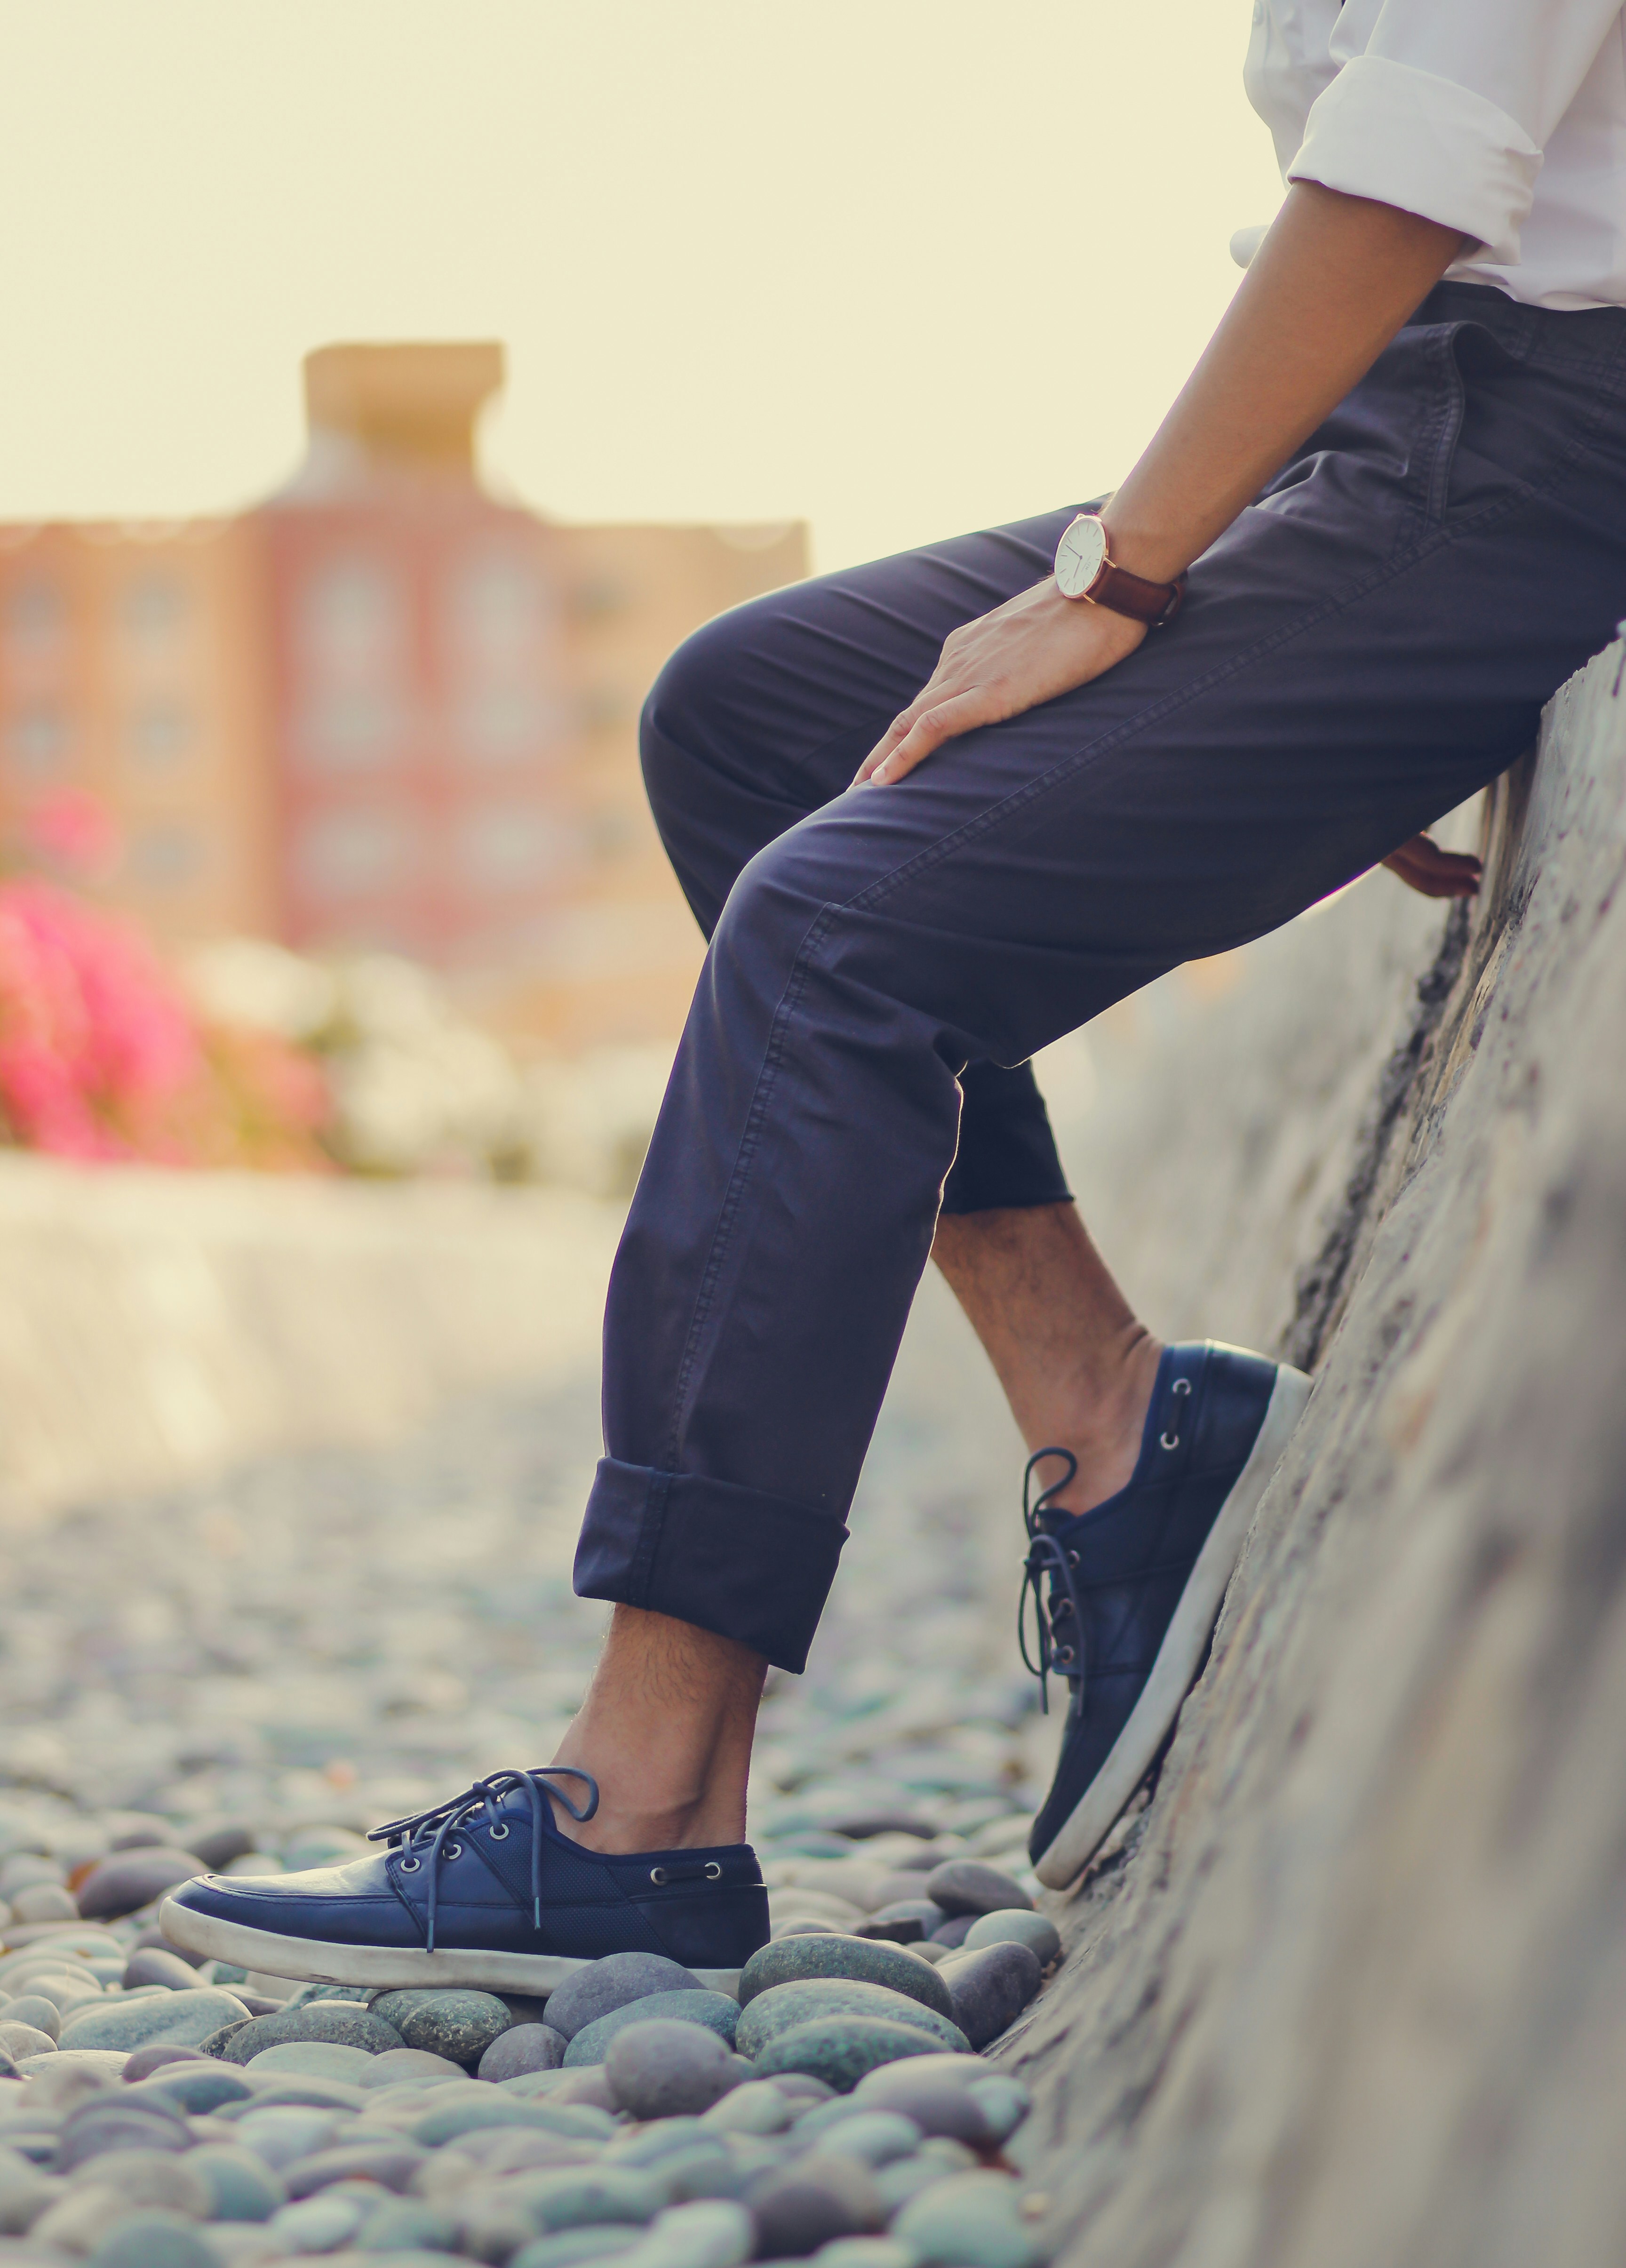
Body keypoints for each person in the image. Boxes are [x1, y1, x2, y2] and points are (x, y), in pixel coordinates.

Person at [166, 0, 1626, 1990]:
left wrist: (1129, 586)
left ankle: (648, 1801)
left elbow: (1418, 166)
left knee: (828, 927)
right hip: (1405, 417)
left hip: (1544, 455)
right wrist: (1263, 662)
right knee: (754, 717)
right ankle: (1121, 1424)